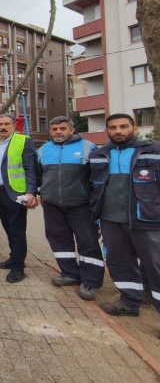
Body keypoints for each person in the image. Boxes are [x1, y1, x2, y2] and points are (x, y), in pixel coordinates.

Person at [89, 113, 160, 316]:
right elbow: (93, 187)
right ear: (107, 131)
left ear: (134, 128)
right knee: (119, 263)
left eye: (123, 126)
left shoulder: (153, 151)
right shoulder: (99, 154)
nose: (118, 131)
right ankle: (129, 303)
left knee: (156, 267)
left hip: (147, 220)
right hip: (110, 219)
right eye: (113, 127)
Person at [37, 116, 102, 301]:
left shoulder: (88, 147)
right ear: (50, 131)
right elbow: (39, 175)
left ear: (72, 130)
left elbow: (97, 178)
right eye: (55, 129)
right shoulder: (42, 150)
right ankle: (69, 272)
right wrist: (42, 194)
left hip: (80, 205)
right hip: (52, 205)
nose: (58, 132)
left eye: (63, 128)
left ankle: (91, 281)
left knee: (87, 241)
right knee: (58, 239)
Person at [0, 114, 38, 283]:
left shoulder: (24, 141)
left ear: (13, 125)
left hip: (16, 193)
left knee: (17, 231)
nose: (3, 127)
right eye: (0, 124)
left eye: (7, 124)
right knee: (8, 228)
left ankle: (18, 267)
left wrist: (31, 192)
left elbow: (31, 168)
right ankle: (13, 257)